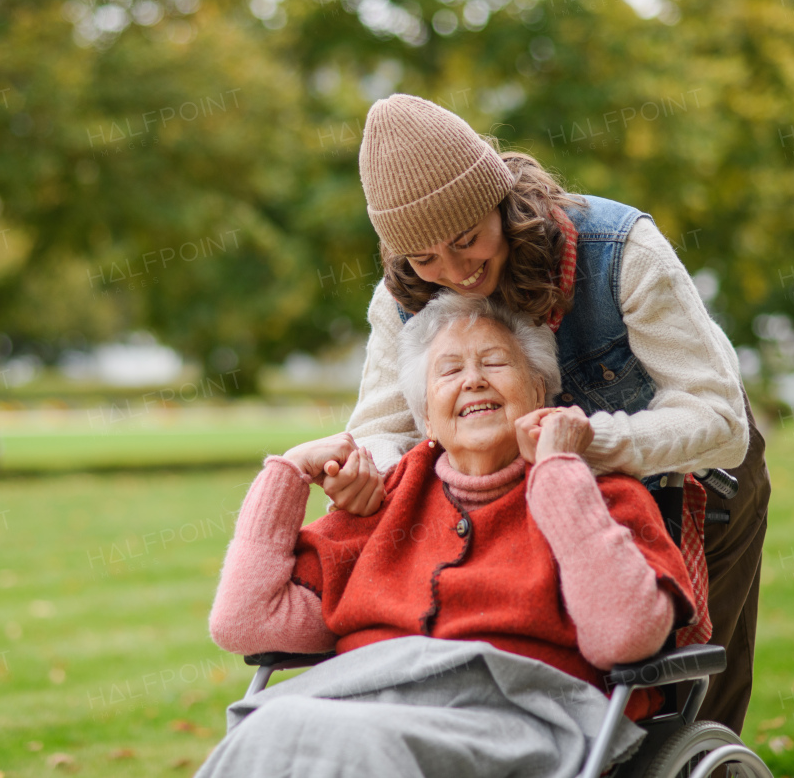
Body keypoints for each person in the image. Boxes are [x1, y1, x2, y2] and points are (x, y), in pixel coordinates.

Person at [318, 93, 769, 733]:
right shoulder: (404, 297)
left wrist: (588, 445)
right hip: (525, 517)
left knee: (682, 704)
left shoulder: (622, 251)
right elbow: (381, 430)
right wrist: (367, 469)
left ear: (497, 199)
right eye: (423, 258)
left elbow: (719, 421)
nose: (453, 272)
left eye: (467, 239)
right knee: (558, 701)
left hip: (694, 486)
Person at [201, 293, 697, 777]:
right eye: (450, 370)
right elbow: (245, 622)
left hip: (515, 720)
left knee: (327, 737)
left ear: (540, 389)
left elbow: (625, 635)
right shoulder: (385, 501)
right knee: (272, 731)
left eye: (495, 363)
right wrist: (287, 474)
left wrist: (558, 472)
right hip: (353, 706)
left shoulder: (601, 495)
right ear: (425, 416)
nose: (474, 381)